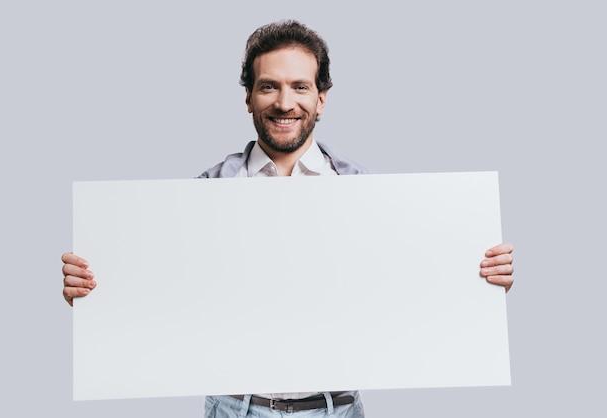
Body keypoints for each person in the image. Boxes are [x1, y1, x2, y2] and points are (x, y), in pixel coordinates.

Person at [62, 20, 515, 418]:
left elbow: (410, 288)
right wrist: (95, 293)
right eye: (268, 86)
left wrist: (479, 283)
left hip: (336, 410)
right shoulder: (202, 195)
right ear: (248, 97)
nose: (284, 102)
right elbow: (157, 292)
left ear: (321, 99)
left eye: (300, 87)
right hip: (233, 409)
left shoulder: (366, 194)